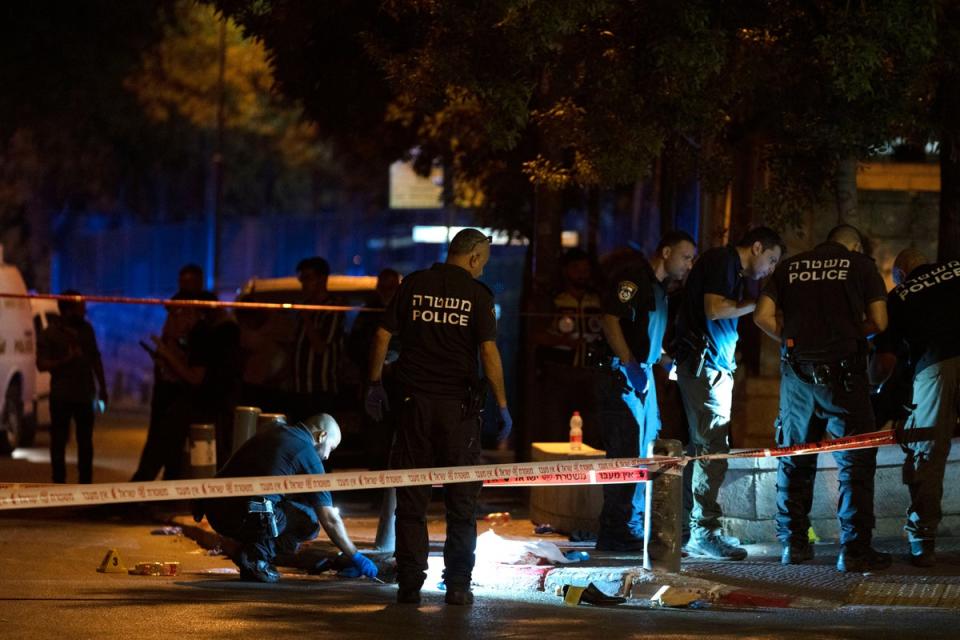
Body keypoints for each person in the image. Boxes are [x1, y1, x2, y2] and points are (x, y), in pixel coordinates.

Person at [365, 228, 512, 606]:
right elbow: (489, 353)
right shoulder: (478, 296)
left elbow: (382, 335)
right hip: (458, 413)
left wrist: (375, 383)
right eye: (484, 261)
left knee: (411, 500)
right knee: (461, 501)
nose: (483, 268)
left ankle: (410, 584)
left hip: (413, 407)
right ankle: (458, 585)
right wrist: (503, 404)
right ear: (475, 257)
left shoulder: (413, 285)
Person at [754, 224, 890, 573]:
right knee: (854, 463)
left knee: (794, 457)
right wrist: (848, 334)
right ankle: (854, 551)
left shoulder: (789, 267)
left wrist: (792, 339)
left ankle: (794, 546)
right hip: (844, 378)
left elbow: (761, 316)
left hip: (797, 378)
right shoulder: (861, 267)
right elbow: (880, 320)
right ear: (854, 246)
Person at [674, 226, 785, 560]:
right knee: (713, 449)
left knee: (703, 448)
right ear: (755, 247)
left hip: (712, 365)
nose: (771, 268)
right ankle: (703, 533)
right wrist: (757, 303)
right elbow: (715, 309)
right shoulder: (724, 260)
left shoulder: (728, 267)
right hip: (706, 367)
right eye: (771, 259)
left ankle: (691, 529)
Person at [595, 231, 697, 551]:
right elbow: (610, 320)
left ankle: (632, 525)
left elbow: (648, 336)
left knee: (642, 453)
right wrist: (629, 363)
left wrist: (666, 362)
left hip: (644, 376)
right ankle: (616, 531)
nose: (690, 264)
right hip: (622, 376)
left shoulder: (660, 289)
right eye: (686, 257)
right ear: (665, 252)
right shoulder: (634, 278)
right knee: (626, 453)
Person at [195, 414, 377, 583]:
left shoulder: (273, 431)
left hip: (215, 510)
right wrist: (356, 556)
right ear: (321, 436)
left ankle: (244, 548)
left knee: (288, 506)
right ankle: (256, 558)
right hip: (245, 515)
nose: (328, 456)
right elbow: (329, 518)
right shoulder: (306, 451)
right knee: (309, 521)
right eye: (331, 448)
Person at [873, 248, 960, 567]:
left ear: (900, 275)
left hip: (935, 367)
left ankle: (923, 539)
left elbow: (885, 361)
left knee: (928, 451)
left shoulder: (899, 296)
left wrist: (876, 392)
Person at [347, 268, 402, 552]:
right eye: (385, 285)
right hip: (376, 382)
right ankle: (377, 490)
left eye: (393, 285)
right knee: (376, 438)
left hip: (400, 385)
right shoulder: (369, 312)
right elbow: (355, 345)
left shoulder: (406, 310)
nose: (388, 290)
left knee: (398, 438)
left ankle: (393, 493)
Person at [531, 248, 606, 447]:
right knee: (554, 428)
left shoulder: (597, 299)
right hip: (558, 372)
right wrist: (565, 342)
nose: (582, 274)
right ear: (565, 270)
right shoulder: (553, 299)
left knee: (593, 428)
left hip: (591, 371)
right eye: (576, 268)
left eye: (585, 269)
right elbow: (536, 335)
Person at [36, 291, 108, 484]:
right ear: (67, 310)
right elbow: (41, 364)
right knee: (58, 441)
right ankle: (58, 483)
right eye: (79, 307)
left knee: (85, 442)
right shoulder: (50, 333)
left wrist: (103, 388)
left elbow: (95, 359)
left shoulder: (87, 330)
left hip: (85, 395)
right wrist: (65, 360)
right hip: (61, 396)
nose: (83, 310)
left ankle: (86, 484)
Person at [291, 257, 345, 422]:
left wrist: (307, 318)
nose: (304, 284)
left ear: (322, 279)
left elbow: (320, 347)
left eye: (308, 278)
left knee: (319, 439)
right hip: (299, 387)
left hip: (321, 388)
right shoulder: (305, 306)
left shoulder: (332, 308)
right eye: (302, 279)